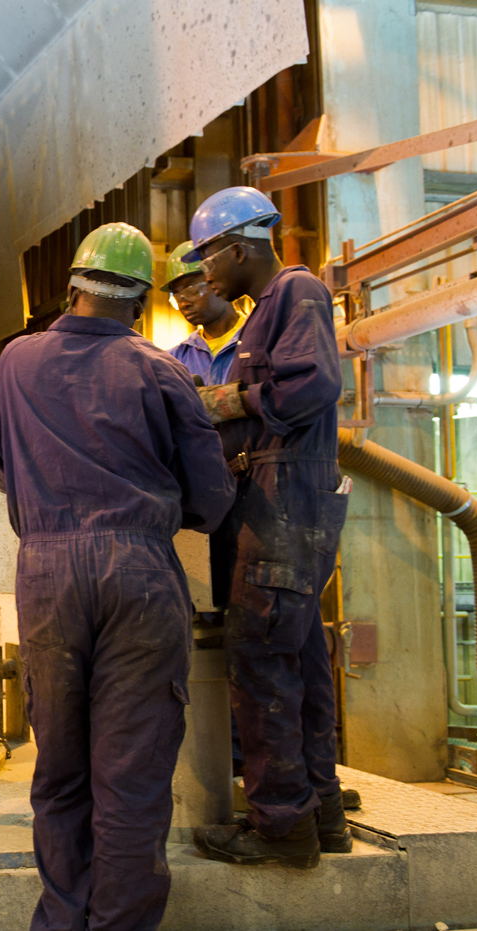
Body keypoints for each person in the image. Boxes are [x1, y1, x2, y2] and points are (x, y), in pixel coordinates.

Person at [0, 222, 235, 931]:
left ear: (71, 288)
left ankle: (62, 921)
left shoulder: (16, 361)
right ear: (139, 301)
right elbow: (212, 499)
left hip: (47, 576)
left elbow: (0, 465)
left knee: (59, 773)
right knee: (129, 780)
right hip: (140, 576)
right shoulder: (161, 371)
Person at [182, 187, 351, 869]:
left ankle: (279, 825)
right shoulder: (265, 312)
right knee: (299, 657)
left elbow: (311, 385)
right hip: (282, 498)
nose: (204, 274)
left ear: (241, 244)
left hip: (286, 501)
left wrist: (225, 401)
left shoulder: (296, 292)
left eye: (208, 256)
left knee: (259, 656)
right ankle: (321, 814)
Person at [163, 241, 250, 385]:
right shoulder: (174, 359)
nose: (184, 303)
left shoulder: (257, 341)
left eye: (191, 290)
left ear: (216, 280)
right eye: (177, 295)